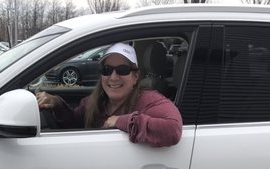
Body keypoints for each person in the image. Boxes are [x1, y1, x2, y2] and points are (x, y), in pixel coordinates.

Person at [36, 42, 182, 147]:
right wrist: (57, 103)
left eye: (123, 70)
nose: (113, 77)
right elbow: (74, 125)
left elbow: (172, 129)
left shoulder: (148, 100)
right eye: (107, 69)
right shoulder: (94, 101)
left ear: (135, 76)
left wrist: (121, 121)